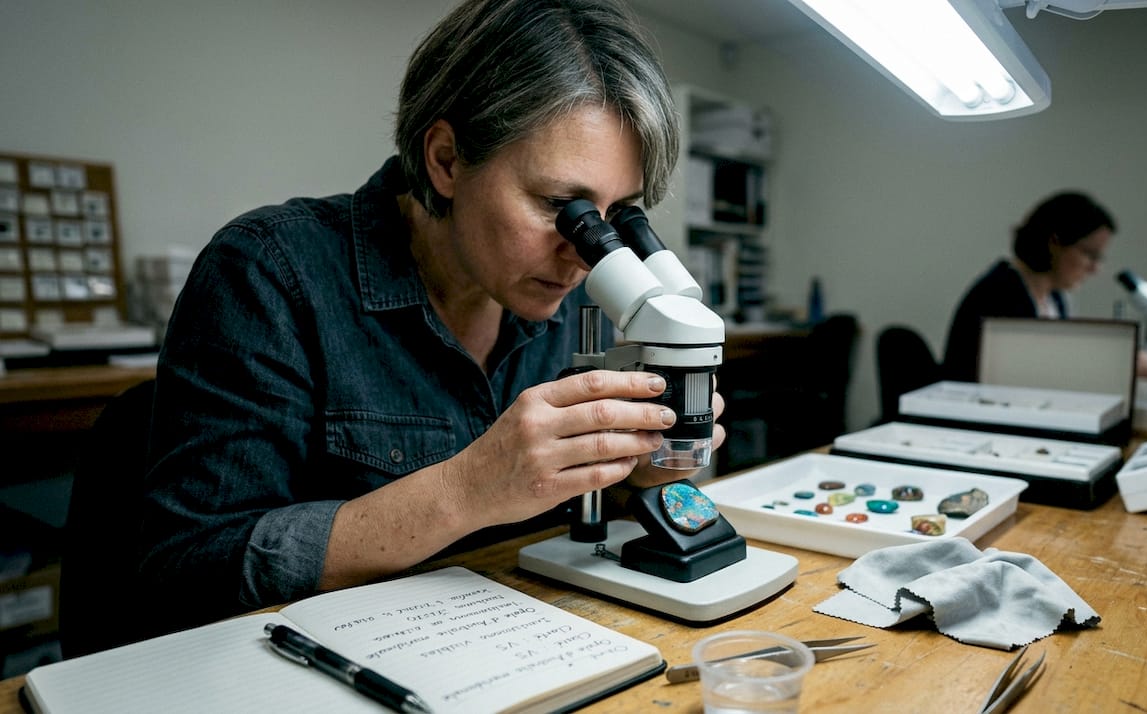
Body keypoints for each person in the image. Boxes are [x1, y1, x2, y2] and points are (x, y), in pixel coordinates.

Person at [137, 0, 721, 636]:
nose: (583, 252)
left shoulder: (581, 293)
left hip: (527, 633)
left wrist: (635, 469)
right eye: (561, 205)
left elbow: (583, 519)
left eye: (616, 216)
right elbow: (192, 569)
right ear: (446, 160)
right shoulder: (269, 272)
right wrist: (465, 490)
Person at [941, 190, 1147, 383]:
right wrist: (1120, 367)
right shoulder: (1001, 293)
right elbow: (1036, 372)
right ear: (1055, 243)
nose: (1095, 269)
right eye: (1090, 255)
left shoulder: (1054, 298)